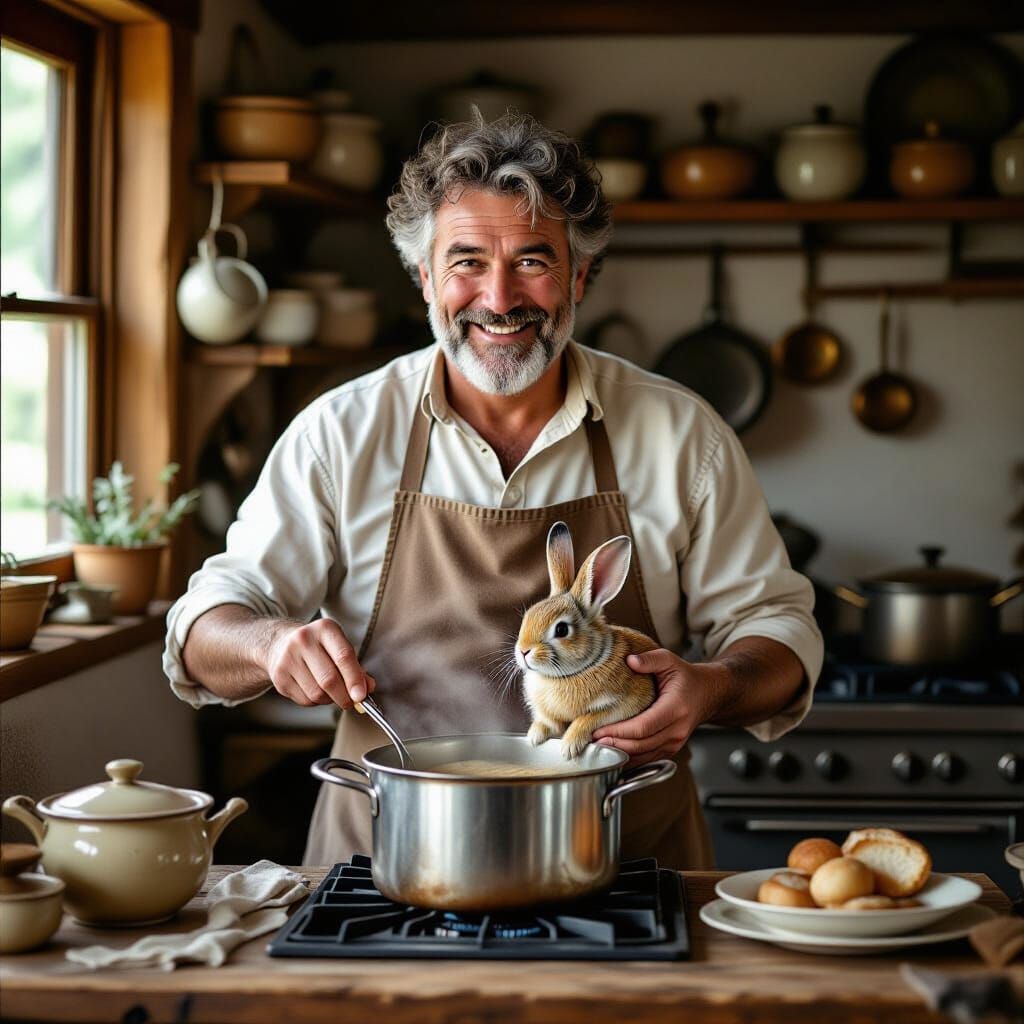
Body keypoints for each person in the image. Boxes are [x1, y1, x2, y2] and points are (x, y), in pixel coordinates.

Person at [164, 111, 823, 869]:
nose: (499, 297)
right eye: (467, 261)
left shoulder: (682, 436)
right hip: (388, 860)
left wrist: (713, 685)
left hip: (619, 863)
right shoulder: (341, 433)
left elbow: (779, 631)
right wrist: (271, 642)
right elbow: (202, 630)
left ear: (579, 275)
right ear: (424, 279)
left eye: (534, 260)